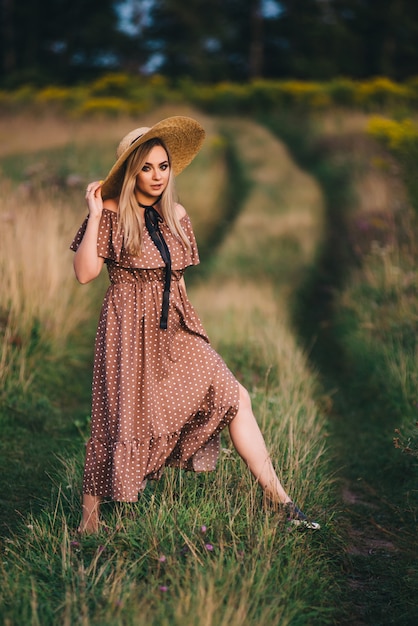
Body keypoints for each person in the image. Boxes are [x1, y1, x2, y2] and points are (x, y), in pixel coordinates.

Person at [70, 116, 320, 533]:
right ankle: (89, 520)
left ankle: (281, 503)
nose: (156, 176)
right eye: (146, 167)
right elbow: (84, 274)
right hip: (127, 329)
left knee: (234, 395)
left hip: (175, 327)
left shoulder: (177, 215)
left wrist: (194, 335)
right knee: (118, 419)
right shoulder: (112, 213)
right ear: (131, 172)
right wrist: (94, 212)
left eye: (163, 166)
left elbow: (179, 282)